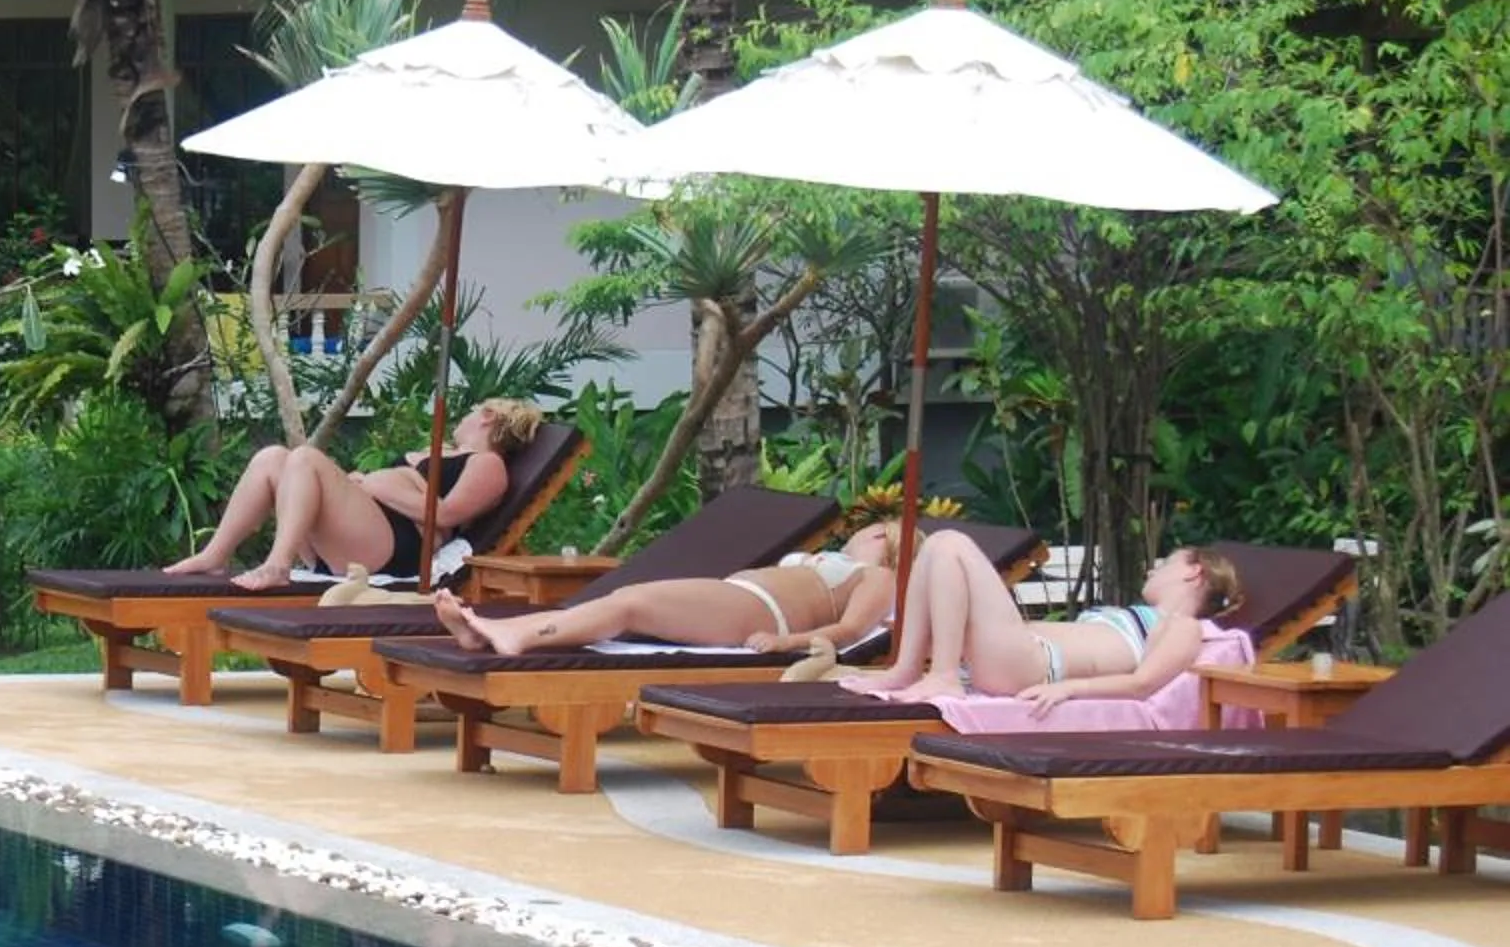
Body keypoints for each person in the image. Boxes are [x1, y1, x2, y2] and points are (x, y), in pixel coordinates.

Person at [840, 531, 1244, 711]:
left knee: (951, 544)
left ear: (1194, 573)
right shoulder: (1148, 617)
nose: (1154, 570)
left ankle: (940, 674)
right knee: (935, 551)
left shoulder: (1183, 626)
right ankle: (908, 668)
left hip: (1038, 665)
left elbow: (1143, 684)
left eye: (1167, 563)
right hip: (1018, 654)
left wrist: (1071, 689)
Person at [167, 399, 542, 591]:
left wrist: (376, 485)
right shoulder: (445, 451)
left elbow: (444, 515)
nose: (465, 416)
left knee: (306, 459)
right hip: (368, 531)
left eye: (474, 411)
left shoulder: (488, 463)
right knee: (272, 458)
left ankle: (278, 564)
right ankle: (215, 555)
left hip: (400, 547)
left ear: (489, 415)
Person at [426, 519, 906, 656]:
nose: (865, 529)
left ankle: (519, 636)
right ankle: (485, 629)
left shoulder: (879, 576)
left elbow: (851, 628)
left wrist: (787, 643)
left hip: (761, 613)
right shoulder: (837, 560)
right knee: (620, 603)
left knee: (630, 604)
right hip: (740, 596)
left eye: (876, 527)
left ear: (886, 538)